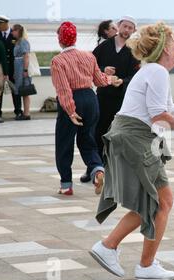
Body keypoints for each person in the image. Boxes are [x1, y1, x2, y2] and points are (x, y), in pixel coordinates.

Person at [89, 22, 174, 280]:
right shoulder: (156, 72)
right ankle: (130, 257)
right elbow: (158, 115)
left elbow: (164, 105)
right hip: (136, 139)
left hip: (131, 137)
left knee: (157, 202)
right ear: (166, 48)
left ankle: (119, 251)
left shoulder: (151, 71)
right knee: (161, 202)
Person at [51, 21, 123, 196]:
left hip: (73, 100)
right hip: (91, 99)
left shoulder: (58, 61)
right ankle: (97, 170)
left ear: (60, 40)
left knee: (64, 144)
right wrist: (111, 80)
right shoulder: (88, 56)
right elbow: (99, 80)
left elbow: (63, 89)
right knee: (88, 140)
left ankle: (66, 184)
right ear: (75, 38)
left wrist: (70, 111)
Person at [87, 16, 140, 183]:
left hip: (123, 99)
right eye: (124, 26)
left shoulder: (134, 50)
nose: (126, 30)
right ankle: (95, 169)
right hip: (103, 97)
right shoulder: (105, 46)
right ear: (118, 26)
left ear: (134, 31)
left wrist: (122, 81)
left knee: (119, 135)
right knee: (97, 133)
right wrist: (103, 70)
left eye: (130, 28)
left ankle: (116, 171)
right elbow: (91, 66)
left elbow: (136, 75)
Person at [0, 15, 22, 120]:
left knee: (15, 90)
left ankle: (18, 111)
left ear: (5, 23)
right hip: (0, 67)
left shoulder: (14, 35)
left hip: (13, 67)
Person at [11, 24, 32, 120]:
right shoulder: (18, 41)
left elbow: (26, 56)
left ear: (18, 31)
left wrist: (25, 70)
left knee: (25, 91)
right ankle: (25, 112)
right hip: (18, 67)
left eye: (13, 31)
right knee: (22, 90)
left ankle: (27, 113)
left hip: (22, 68)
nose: (12, 32)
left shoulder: (23, 42)